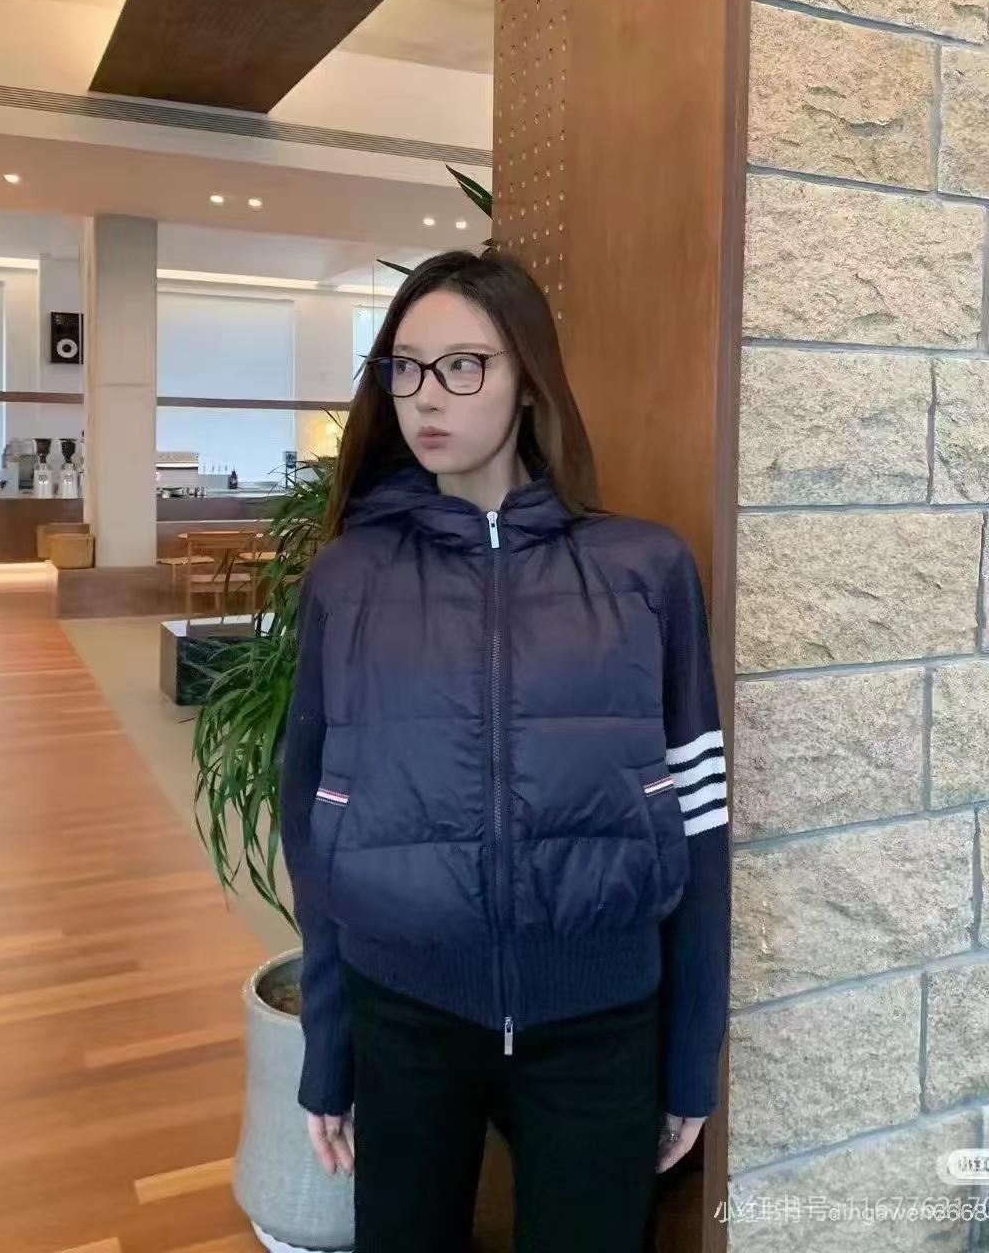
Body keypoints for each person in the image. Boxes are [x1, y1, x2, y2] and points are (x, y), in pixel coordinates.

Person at [279, 250, 731, 1253]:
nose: (425, 395)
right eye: (405, 367)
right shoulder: (351, 579)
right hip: (406, 1015)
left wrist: (692, 1053)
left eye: (463, 365)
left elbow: (700, 821)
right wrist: (329, 1045)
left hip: (600, 1023)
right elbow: (312, 826)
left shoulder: (644, 570)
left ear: (529, 379)